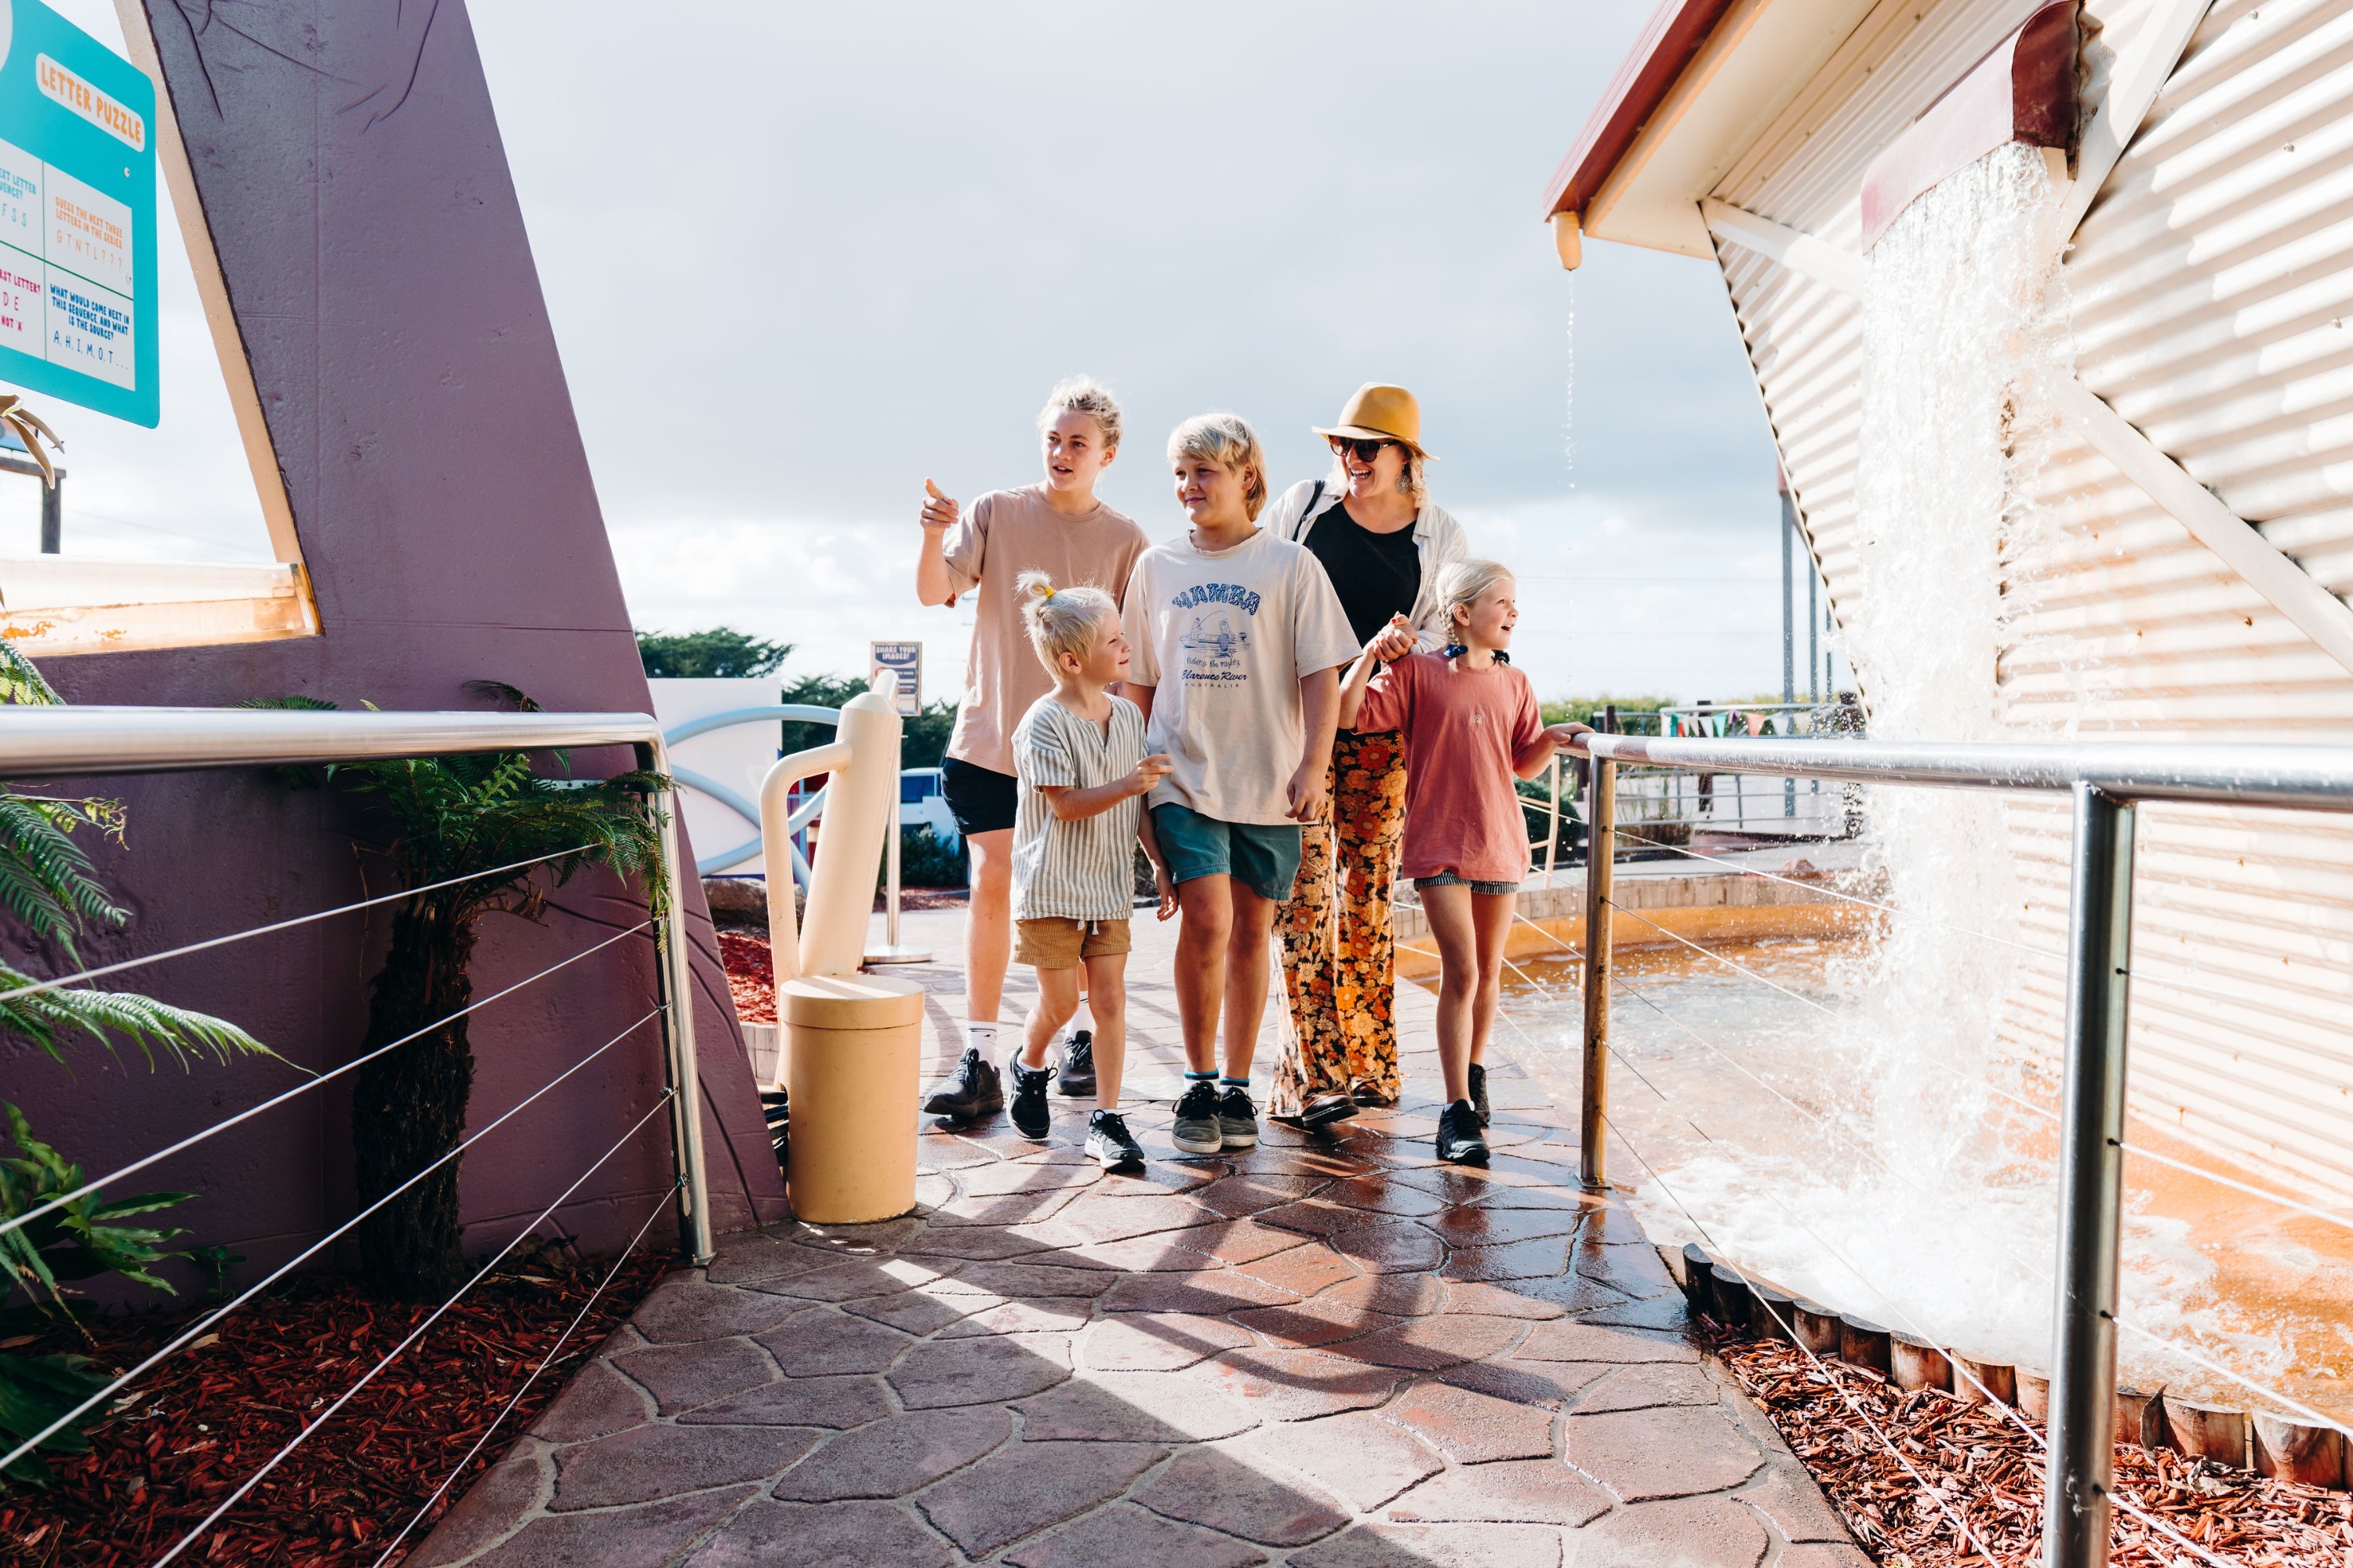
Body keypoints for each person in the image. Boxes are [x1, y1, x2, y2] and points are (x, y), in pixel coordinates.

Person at [915, 378, 1151, 1122]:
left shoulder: (1127, 542)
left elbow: (1131, 660)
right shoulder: (995, 511)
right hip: (990, 742)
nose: (1061, 451)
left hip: (1086, 756)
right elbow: (932, 593)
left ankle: (1078, 1035)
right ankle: (982, 1055)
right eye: (1053, 437)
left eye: (1077, 441)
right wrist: (930, 532)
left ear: (1107, 453)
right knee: (992, 881)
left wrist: (1125, 747)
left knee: (1080, 892)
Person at [1124, 413, 1358, 1156]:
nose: (1189, 487)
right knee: (1207, 918)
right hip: (1181, 773)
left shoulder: (1290, 567)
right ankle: (1196, 1082)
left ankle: (1235, 1085)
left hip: (1269, 782)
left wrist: (1314, 766)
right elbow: (1137, 683)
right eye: (1180, 473)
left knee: (1254, 930)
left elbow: (1322, 674)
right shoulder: (1156, 568)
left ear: (1246, 477)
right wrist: (1134, 780)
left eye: (1205, 472)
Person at [1333, 561, 1589, 1165]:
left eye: (1515, 601)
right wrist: (1371, 654)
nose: (1514, 612)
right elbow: (1347, 714)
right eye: (1503, 600)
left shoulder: (1516, 682)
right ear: (1464, 614)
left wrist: (1552, 738)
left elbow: (1521, 763)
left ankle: (1473, 1074)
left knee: (1490, 972)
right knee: (1464, 973)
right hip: (1439, 844)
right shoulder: (1416, 674)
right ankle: (1454, 1111)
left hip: (1501, 841)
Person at [1260, 384, 1468, 1126]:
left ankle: (1371, 1067)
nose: (1350, 460)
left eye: (1366, 447)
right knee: (1305, 900)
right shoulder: (1303, 508)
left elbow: (1450, 638)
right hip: (1298, 731)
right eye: (1341, 446)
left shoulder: (1439, 533)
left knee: (1367, 904)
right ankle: (1310, 1077)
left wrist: (1412, 650)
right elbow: (1266, 595)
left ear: (1405, 456)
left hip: (1384, 743)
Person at [1000, 571, 1174, 1167]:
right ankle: (1027, 1064)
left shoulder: (1127, 718)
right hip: (1050, 887)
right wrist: (1130, 782)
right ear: (1073, 661)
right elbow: (1067, 805)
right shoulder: (1041, 724)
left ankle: (1107, 1118)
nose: (1127, 648)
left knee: (1110, 1001)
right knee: (1058, 1005)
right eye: (1114, 642)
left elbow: (1138, 804)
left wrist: (1157, 865)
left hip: (1107, 888)